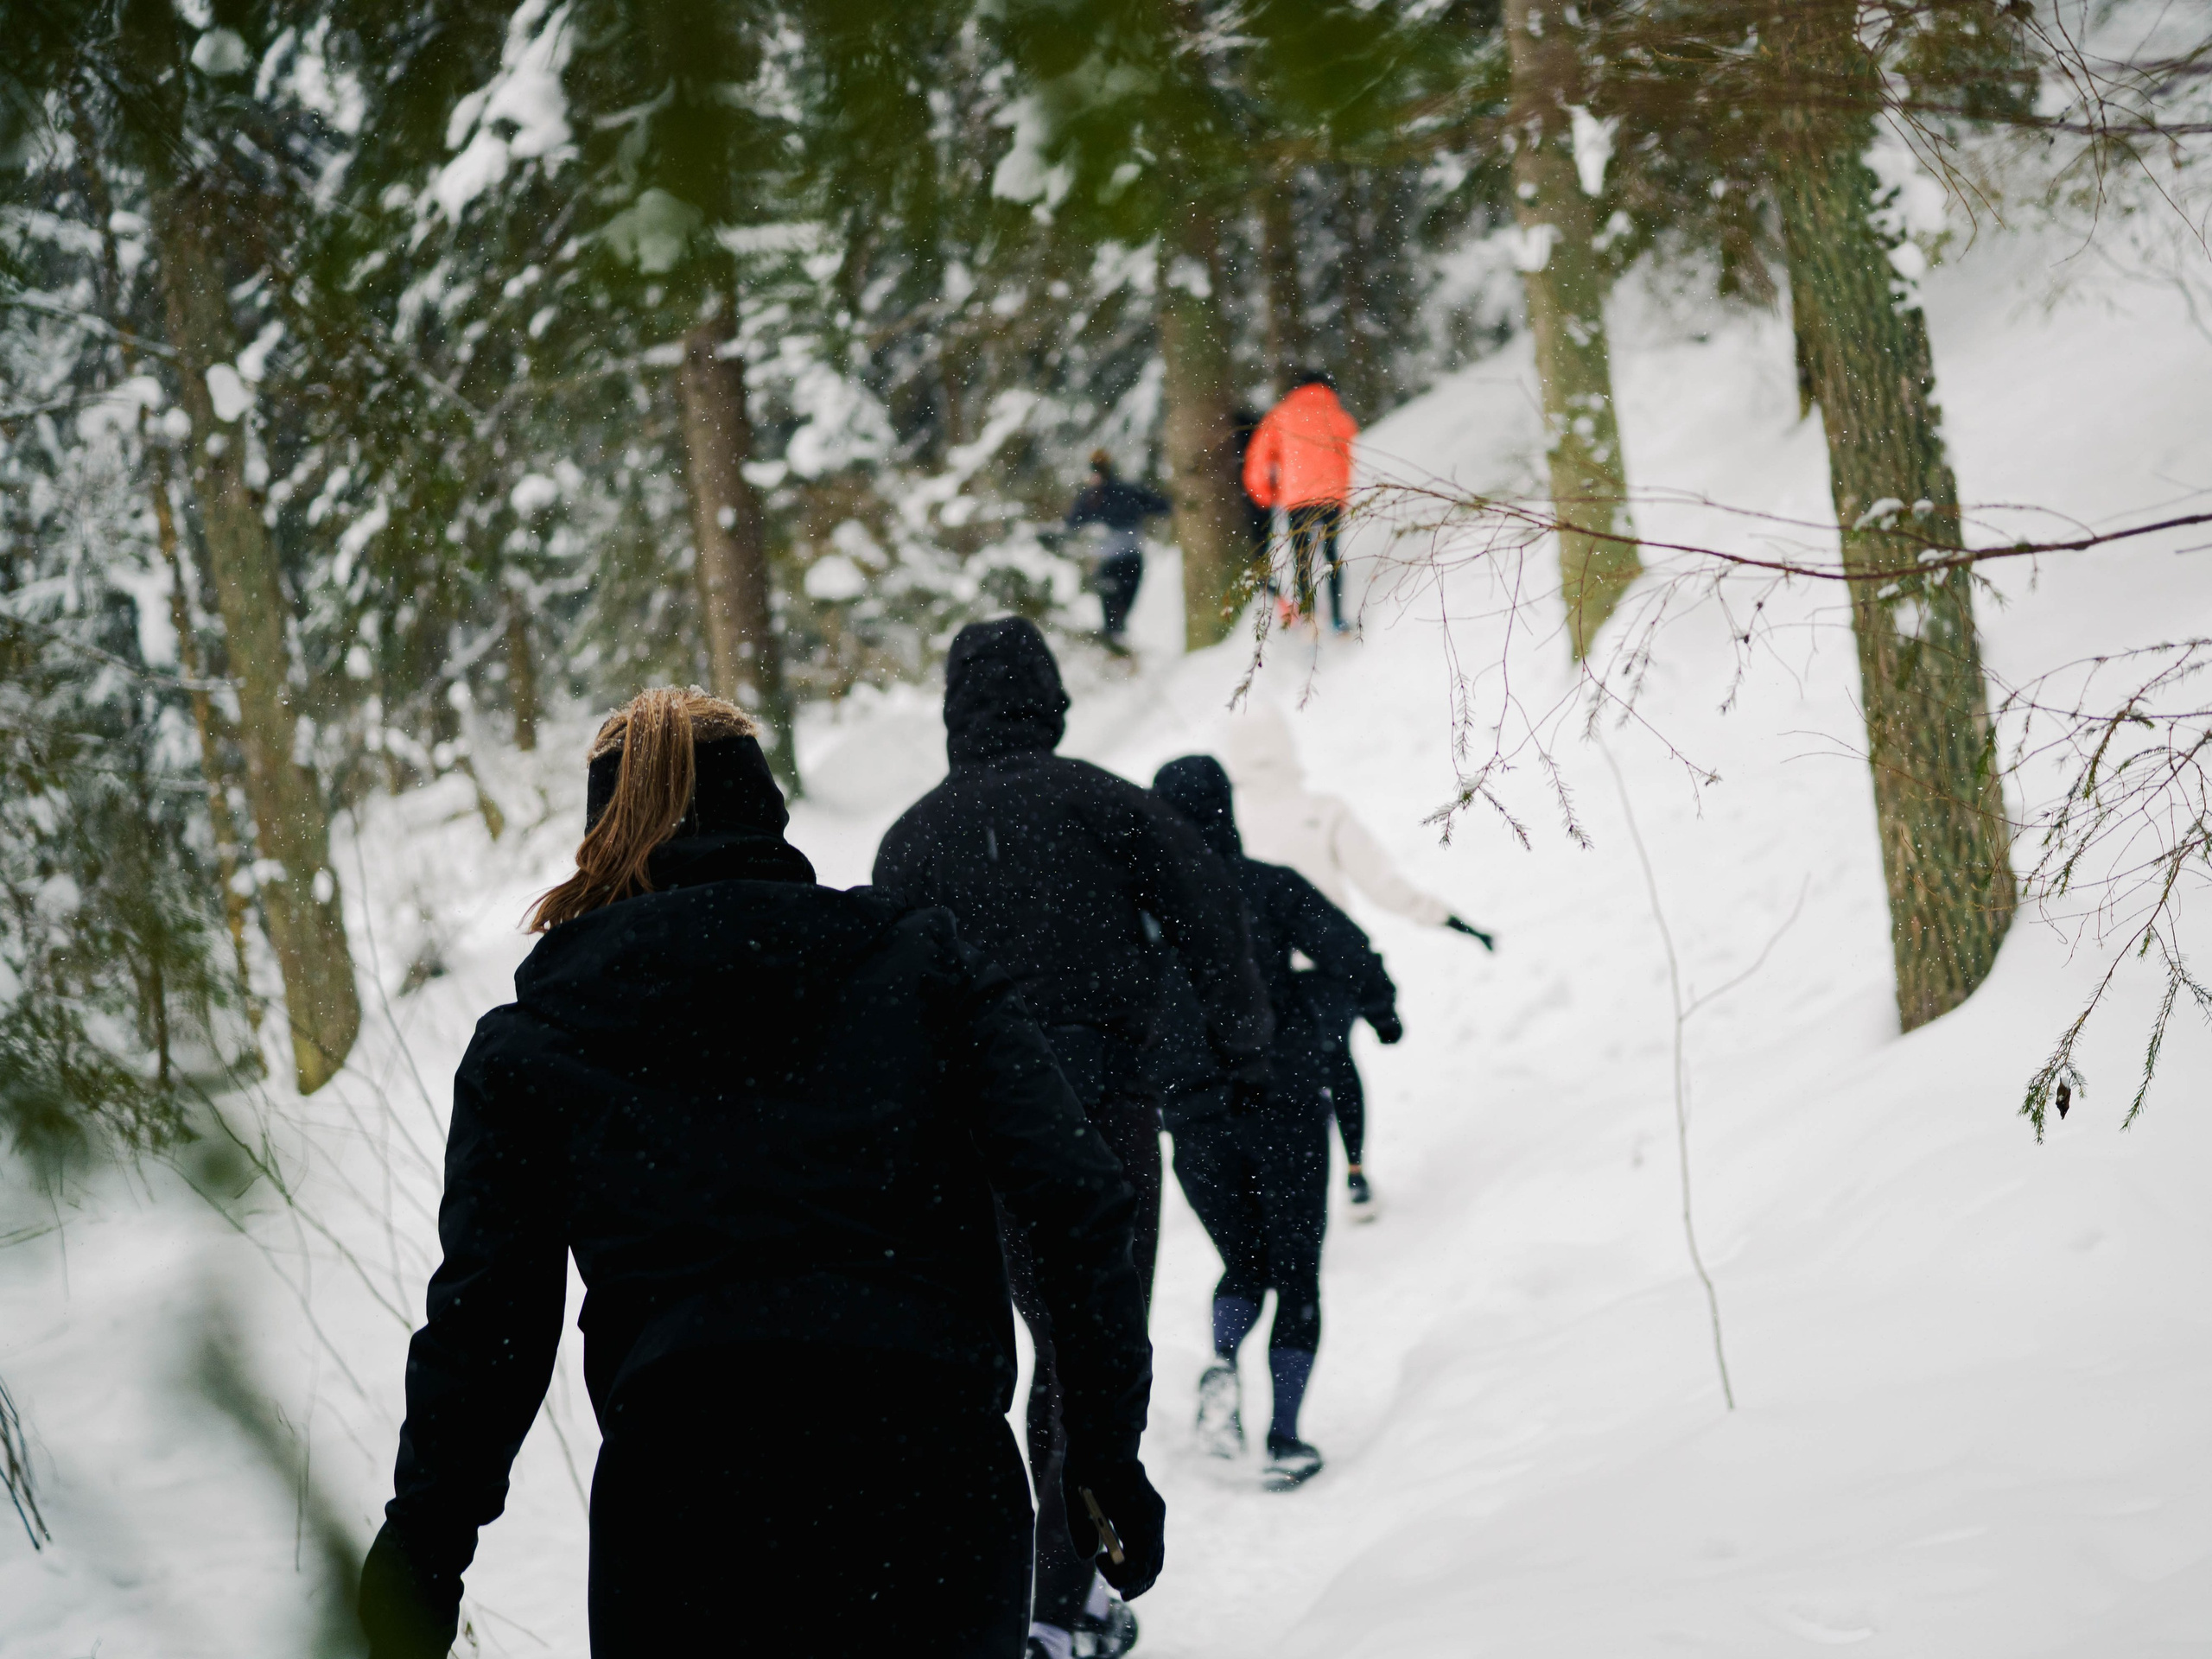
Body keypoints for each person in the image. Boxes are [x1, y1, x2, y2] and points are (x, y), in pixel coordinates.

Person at [357, 689, 1163, 1659]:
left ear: (602, 834)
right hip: (932, 1481)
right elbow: (1076, 1199)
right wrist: (1103, 1451)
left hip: (689, 1513)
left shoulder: (538, 1043)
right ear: (769, 815)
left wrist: (425, 1545)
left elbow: (490, 1327)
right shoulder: (922, 968)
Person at [874, 619, 1269, 1659]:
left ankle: (1016, 1594)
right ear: (1049, 700)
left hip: (971, 1142)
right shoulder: (1103, 803)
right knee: (1090, 1353)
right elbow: (1211, 910)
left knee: (1011, 1361)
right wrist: (1241, 1045)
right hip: (1100, 1115)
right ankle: (1057, 1606)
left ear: (954, 710)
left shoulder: (910, 841)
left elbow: (885, 1000)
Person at [1147, 755, 1400, 1490]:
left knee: (1243, 1263)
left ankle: (1223, 1367)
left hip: (1193, 1118)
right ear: (1226, 810)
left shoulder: (1142, 917)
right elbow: (1348, 951)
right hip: (1281, 1103)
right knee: (1297, 1275)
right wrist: (1378, 1008)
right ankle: (1285, 1438)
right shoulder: (1266, 886)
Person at [1226, 706, 1494, 1211]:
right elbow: (1382, 883)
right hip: (1332, 966)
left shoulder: (1227, 819)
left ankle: (1277, 1185)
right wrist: (1449, 920)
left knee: (1277, 1075)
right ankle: (1354, 1171)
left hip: (1261, 977)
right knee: (1336, 1060)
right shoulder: (1323, 810)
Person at [1241, 372, 1360, 632]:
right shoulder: (1338, 415)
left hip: (1297, 498)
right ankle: (1338, 618)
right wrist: (1342, 496)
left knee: (1302, 556)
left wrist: (1262, 494)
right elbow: (1347, 458)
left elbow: (1259, 457)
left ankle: (1309, 617)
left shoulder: (1281, 414)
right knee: (1331, 554)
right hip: (1331, 497)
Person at [1065, 450, 1171, 651]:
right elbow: (1162, 506)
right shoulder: (1127, 491)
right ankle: (1117, 641)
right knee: (1122, 607)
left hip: (1108, 560)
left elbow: (1071, 522)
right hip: (1131, 556)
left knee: (1111, 609)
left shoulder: (1091, 496)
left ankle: (1114, 643)